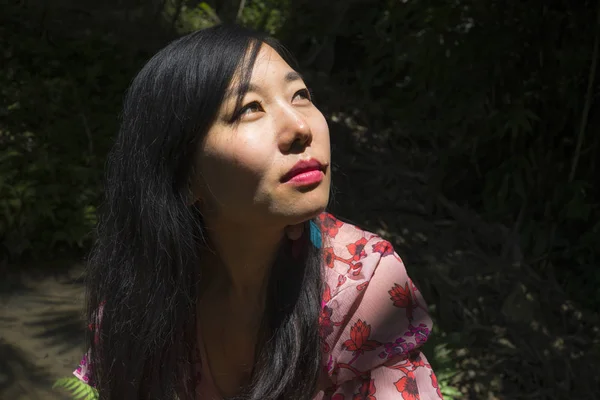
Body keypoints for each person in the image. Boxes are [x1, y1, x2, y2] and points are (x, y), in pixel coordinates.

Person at [73, 24, 442, 400]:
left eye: (300, 95)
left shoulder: (360, 288)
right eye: (250, 108)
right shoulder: (136, 305)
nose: (300, 127)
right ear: (183, 177)